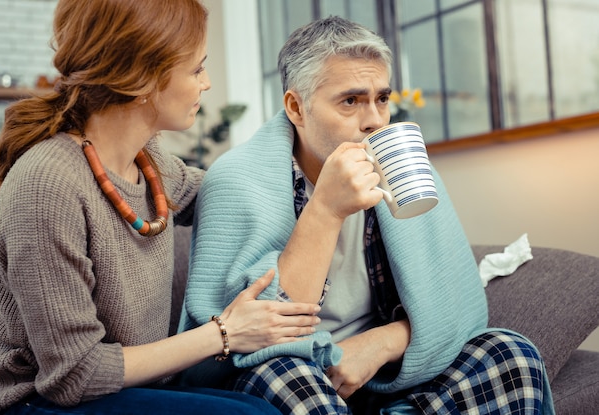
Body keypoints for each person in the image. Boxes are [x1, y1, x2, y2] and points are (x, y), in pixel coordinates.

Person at [180, 16, 555, 415]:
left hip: (386, 374)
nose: (374, 120)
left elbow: (461, 305)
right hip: (298, 373)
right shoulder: (237, 179)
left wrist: (385, 341)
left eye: (381, 98)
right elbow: (235, 344)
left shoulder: (407, 170)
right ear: (296, 107)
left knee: (511, 355)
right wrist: (325, 210)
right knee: (284, 374)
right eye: (350, 101)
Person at [0, 1, 323, 414]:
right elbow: (74, 375)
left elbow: (228, 191)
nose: (206, 83)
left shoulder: (148, 160)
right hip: (35, 401)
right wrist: (226, 332)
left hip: (127, 390)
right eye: (196, 69)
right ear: (140, 79)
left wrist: (319, 166)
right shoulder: (47, 184)